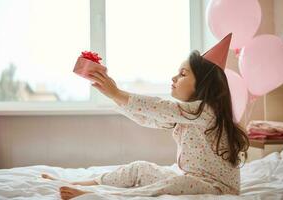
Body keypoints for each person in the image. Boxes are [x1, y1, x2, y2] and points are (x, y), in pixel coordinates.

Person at [42, 33, 249, 200]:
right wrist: (114, 96)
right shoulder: (188, 115)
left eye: (183, 74)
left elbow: (160, 107)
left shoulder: (206, 111)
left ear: (204, 84)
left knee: (178, 183)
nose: (174, 78)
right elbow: (150, 117)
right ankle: (81, 183)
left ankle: (102, 195)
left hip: (219, 189)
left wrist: (118, 93)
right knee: (139, 168)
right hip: (193, 179)